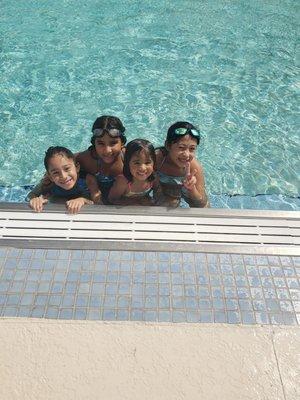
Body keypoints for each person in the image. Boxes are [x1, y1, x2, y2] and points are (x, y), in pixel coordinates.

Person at [155, 121, 209, 208]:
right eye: (181, 147)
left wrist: (192, 189)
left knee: (205, 210)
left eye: (192, 149)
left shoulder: (194, 168)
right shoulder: (158, 159)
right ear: (168, 145)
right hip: (164, 192)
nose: (186, 154)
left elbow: (201, 203)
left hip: (185, 192)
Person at [76, 115, 126, 204]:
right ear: (94, 143)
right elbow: (62, 162)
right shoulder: (88, 159)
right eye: (101, 143)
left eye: (113, 143)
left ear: (122, 142)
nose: (107, 150)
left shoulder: (127, 158)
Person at [28, 146, 93, 213]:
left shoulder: (88, 181)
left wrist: (82, 200)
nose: (63, 176)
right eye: (56, 172)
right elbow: (31, 195)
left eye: (67, 169)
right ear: (50, 177)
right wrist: (35, 200)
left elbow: (95, 202)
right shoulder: (48, 183)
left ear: (77, 167)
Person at [108, 139, 159, 206]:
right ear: (127, 163)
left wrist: (154, 201)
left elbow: (158, 192)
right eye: (137, 163)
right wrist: (133, 203)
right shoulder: (123, 181)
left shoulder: (153, 177)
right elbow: (112, 199)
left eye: (147, 162)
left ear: (153, 163)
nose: (143, 168)